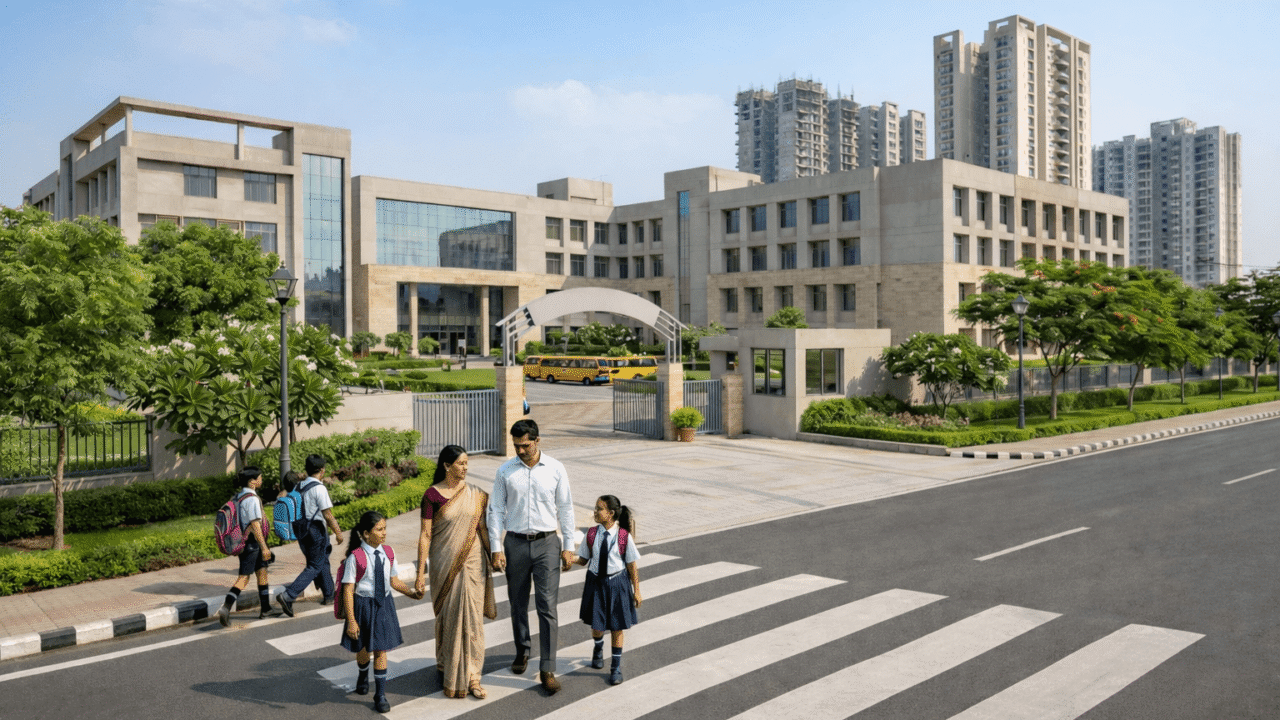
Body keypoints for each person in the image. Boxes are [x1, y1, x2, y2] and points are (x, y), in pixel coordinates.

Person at [487, 419, 575, 694]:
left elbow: (566, 508)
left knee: (547, 607)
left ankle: (547, 668)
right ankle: (522, 649)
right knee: (517, 604)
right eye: (516, 446)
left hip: (547, 543)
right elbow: (496, 510)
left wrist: (568, 545)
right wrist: (496, 547)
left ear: (537, 441)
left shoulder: (556, 469)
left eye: (525, 445)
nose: (521, 451)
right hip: (514, 544)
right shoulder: (505, 471)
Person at [415, 445, 497, 699]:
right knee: (448, 618)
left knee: (472, 619)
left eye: (466, 463)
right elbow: (426, 535)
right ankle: (447, 665)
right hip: (443, 564)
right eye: (460, 463)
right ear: (447, 466)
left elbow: (482, 528)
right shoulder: (432, 496)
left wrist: (494, 554)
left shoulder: (476, 494)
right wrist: (420, 573)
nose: (465, 467)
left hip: (473, 564)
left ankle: (473, 676)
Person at [340, 511, 422, 714]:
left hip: (383, 605)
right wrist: (351, 620)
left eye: (385, 528)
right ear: (366, 534)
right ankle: (362, 674)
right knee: (362, 648)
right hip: (362, 606)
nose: (384, 533)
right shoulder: (356, 558)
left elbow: (394, 581)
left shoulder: (389, 552)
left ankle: (380, 694)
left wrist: (411, 593)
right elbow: (348, 590)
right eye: (379, 529)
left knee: (381, 649)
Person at [573, 495, 642, 685]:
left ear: (610, 514)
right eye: (595, 508)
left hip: (617, 583)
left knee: (617, 626)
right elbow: (583, 560)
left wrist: (636, 590)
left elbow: (632, 566)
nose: (595, 512)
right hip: (595, 582)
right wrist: (572, 559)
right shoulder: (592, 534)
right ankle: (597, 648)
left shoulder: (623, 537)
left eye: (599, 509)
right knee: (597, 624)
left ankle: (615, 667)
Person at [278, 454, 344, 616]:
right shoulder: (319, 488)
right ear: (322, 470)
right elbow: (327, 515)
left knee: (321, 561)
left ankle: (329, 595)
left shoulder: (299, 486)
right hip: (316, 531)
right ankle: (288, 595)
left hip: (301, 531)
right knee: (314, 566)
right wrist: (338, 533)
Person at [217, 466, 274, 626]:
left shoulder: (239, 496)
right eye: (260, 477)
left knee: (262, 572)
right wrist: (264, 547)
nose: (261, 479)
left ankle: (266, 609)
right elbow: (255, 524)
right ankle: (226, 607)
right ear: (253, 481)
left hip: (245, 542)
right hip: (252, 543)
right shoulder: (252, 499)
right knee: (244, 578)